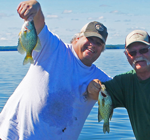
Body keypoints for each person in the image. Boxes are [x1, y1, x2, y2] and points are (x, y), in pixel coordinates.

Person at [0, 0, 111, 140]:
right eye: (90, 39)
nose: (93, 45)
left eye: (99, 43)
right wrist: (35, 6)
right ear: (77, 38)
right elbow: (38, 20)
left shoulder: (101, 79)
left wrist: (96, 92)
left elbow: (124, 92)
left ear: (102, 49)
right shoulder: (52, 47)